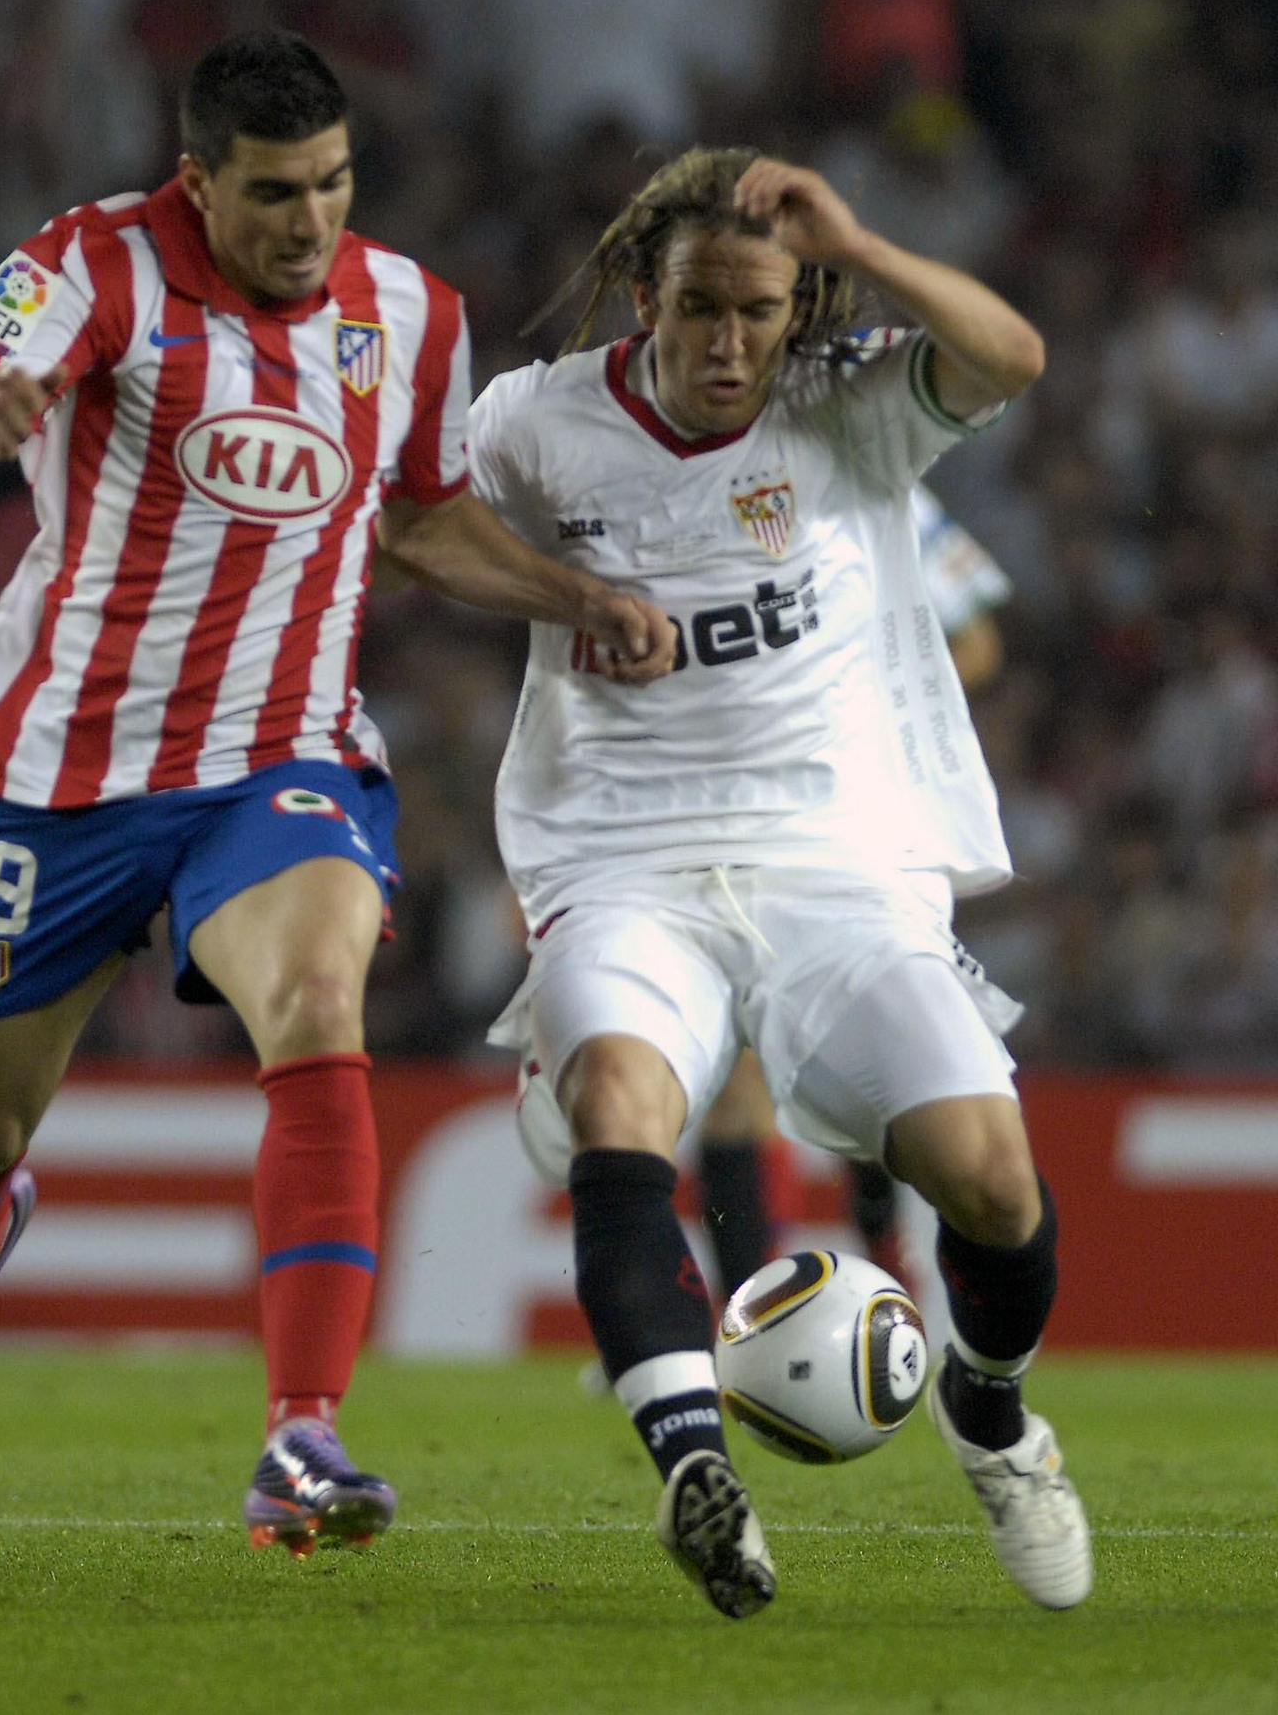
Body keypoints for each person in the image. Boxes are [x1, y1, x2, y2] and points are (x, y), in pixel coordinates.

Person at [0, 29, 674, 1558]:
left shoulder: (408, 311)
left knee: (320, 1003)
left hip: (281, 754)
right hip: (67, 779)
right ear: (198, 181)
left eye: (332, 183)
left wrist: (571, 595)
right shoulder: (89, 268)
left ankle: (299, 1435)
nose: (309, 221)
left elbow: (426, 523)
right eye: (271, 194)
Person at [472, 146, 1090, 1618]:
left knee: (995, 1187)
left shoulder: (849, 404)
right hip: (622, 856)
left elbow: (1012, 353)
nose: (730, 343)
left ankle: (991, 1414)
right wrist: (575, 597)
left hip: (842, 862)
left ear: (795, 308)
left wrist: (859, 241)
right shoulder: (537, 421)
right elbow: (409, 528)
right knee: (627, 1107)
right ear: (644, 298)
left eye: (760, 311)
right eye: (700, 310)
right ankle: (695, 1461)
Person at [696, 485, 1014, 1299]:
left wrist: (867, 692)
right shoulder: (687, 474)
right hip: (731, 816)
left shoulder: (880, 477)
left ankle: (881, 1237)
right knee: (738, 1073)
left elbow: (977, 641)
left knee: (865, 1054)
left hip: (865, 821)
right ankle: (748, 1317)